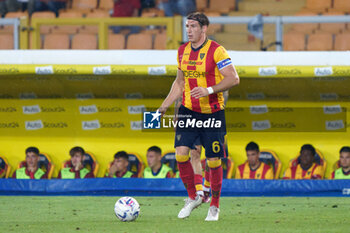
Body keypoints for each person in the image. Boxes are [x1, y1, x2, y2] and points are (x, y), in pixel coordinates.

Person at [158, 12, 240, 221]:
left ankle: (214, 206)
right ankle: (193, 197)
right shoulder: (182, 51)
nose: (189, 31)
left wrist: (209, 90)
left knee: (213, 160)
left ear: (204, 28)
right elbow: (179, 83)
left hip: (212, 112)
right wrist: (165, 105)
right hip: (188, 110)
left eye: (193, 26)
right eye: (187, 26)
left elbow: (233, 78)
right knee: (181, 154)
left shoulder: (217, 51)